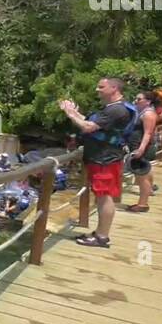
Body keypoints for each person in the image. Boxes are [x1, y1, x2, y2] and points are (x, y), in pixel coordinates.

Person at [60, 77, 135, 247]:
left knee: (104, 196)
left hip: (105, 159)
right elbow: (90, 121)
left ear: (114, 88)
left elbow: (87, 127)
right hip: (104, 157)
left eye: (101, 87)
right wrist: (74, 113)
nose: (97, 89)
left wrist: (70, 115)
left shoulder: (116, 110)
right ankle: (100, 232)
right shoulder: (112, 108)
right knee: (102, 195)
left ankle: (102, 237)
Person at [127, 91, 159, 212]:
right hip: (140, 146)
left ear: (148, 101)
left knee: (141, 175)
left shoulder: (148, 114)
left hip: (142, 147)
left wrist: (140, 149)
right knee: (146, 171)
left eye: (139, 99)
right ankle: (148, 193)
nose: (136, 101)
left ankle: (143, 204)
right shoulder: (142, 112)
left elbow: (148, 133)